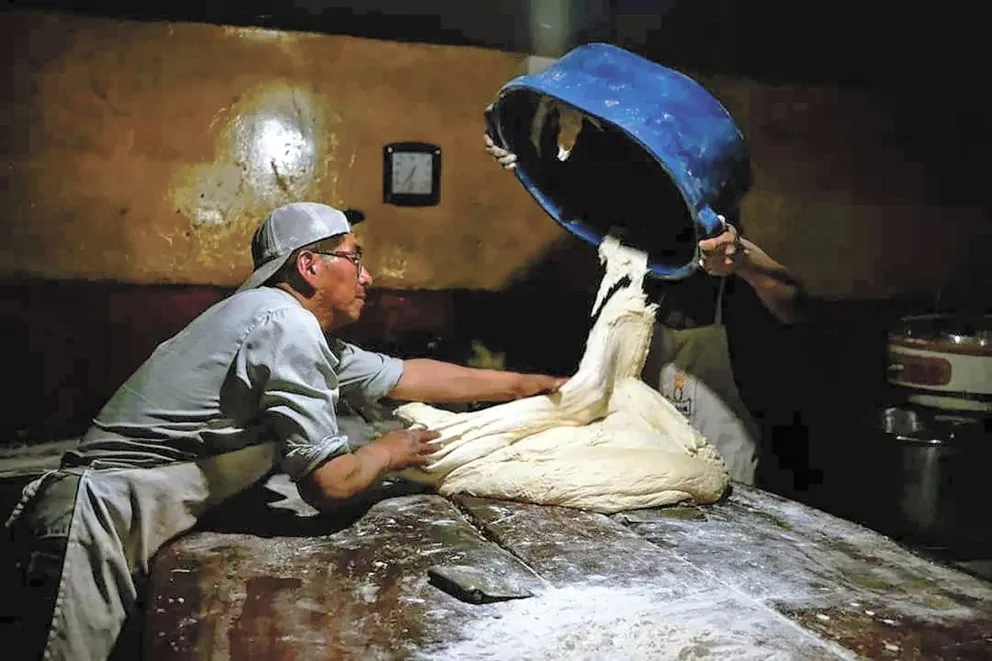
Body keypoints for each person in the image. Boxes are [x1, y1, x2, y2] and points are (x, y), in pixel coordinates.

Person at [4, 201, 567, 661]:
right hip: (93, 525)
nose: (368, 276)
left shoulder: (285, 327)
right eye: (354, 258)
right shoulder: (283, 326)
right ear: (309, 266)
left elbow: (409, 375)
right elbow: (330, 484)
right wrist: (389, 451)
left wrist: (532, 383)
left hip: (118, 523)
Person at [484, 127, 802, 486]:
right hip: (638, 454)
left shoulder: (725, 269)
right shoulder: (613, 270)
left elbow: (791, 300)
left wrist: (742, 261)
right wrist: (532, 165)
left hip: (724, 461)